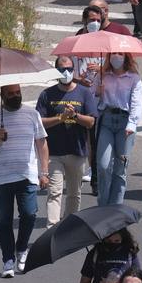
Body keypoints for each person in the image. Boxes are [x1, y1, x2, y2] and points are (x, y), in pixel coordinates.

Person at [0, 85, 48, 278]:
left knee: (29, 214)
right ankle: (8, 260)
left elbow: (41, 142)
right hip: (2, 177)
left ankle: (22, 248)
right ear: (2, 96)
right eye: (10, 94)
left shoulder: (32, 114)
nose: (15, 96)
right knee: (4, 221)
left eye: (18, 93)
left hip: (27, 175)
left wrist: (44, 172)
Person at [36, 56, 97, 225]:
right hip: (54, 153)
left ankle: (69, 227)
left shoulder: (84, 93)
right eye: (62, 70)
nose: (66, 73)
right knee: (54, 192)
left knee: (74, 193)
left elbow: (91, 122)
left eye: (70, 69)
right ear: (56, 71)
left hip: (77, 151)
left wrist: (75, 116)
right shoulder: (47, 94)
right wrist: (61, 118)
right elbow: (40, 123)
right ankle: (52, 229)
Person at [95, 52, 142, 206]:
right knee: (103, 166)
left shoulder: (133, 78)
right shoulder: (103, 76)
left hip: (125, 123)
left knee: (120, 169)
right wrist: (98, 92)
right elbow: (91, 100)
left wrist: (132, 124)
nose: (117, 57)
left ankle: (116, 207)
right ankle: (103, 206)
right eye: (114, 54)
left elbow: (136, 104)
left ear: (126, 57)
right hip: (106, 121)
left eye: (120, 54)